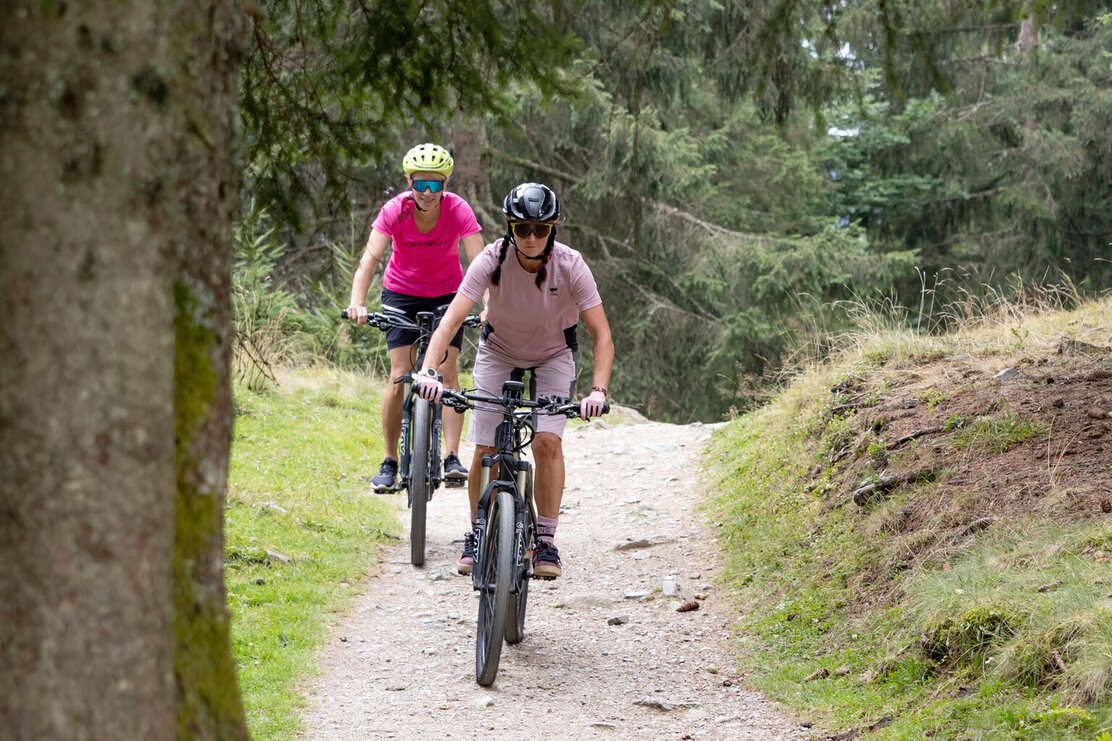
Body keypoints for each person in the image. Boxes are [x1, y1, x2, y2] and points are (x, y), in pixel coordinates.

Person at [412, 182, 614, 579]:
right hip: (498, 351)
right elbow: (451, 319)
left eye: (541, 229)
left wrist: (598, 390)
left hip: (555, 354)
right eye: (523, 229)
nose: (533, 237)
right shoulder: (491, 260)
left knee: (547, 440)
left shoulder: (571, 265)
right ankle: (477, 532)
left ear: (552, 229)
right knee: (485, 446)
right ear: (510, 228)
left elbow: (602, 335)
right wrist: (430, 371)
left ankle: (546, 539)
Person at [346, 143, 485, 492]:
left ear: (445, 184)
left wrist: (489, 305)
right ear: (409, 182)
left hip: (447, 296)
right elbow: (370, 260)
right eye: (420, 184)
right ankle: (390, 460)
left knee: (447, 373)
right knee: (399, 376)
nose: (427, 193)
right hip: (401, 294)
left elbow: (480, 264)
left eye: (435, 185)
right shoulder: (395, 210)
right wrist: (357, 302)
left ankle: (452, 457)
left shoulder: (458, 210)